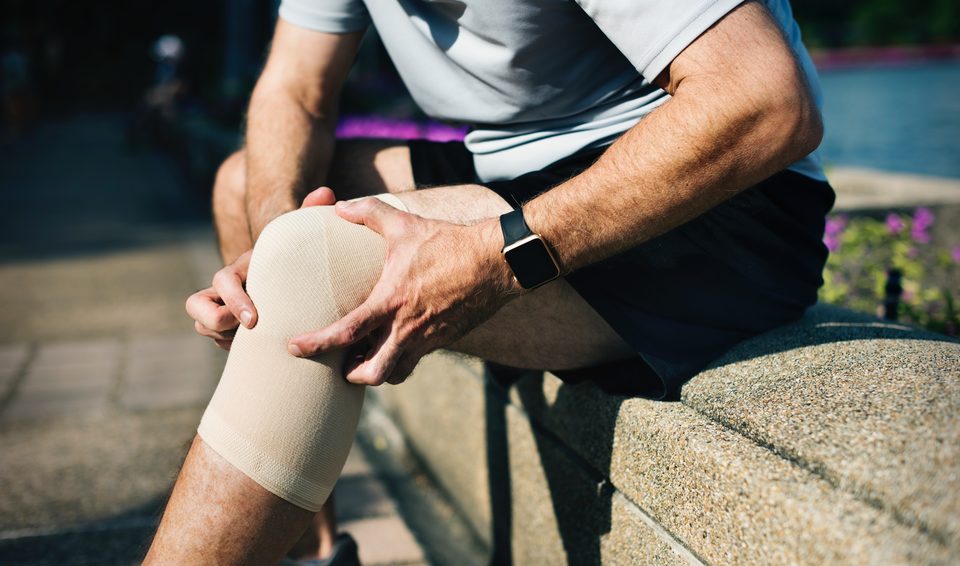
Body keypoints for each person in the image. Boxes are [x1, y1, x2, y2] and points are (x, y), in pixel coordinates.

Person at [145, 0, 832, 563]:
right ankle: (311, 553)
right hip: (517, 173)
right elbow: (295, 90)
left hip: (714, 202)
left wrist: (494, 259)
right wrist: (267, 256)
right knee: (248, 189)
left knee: (312, 260)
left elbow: (764, 99)